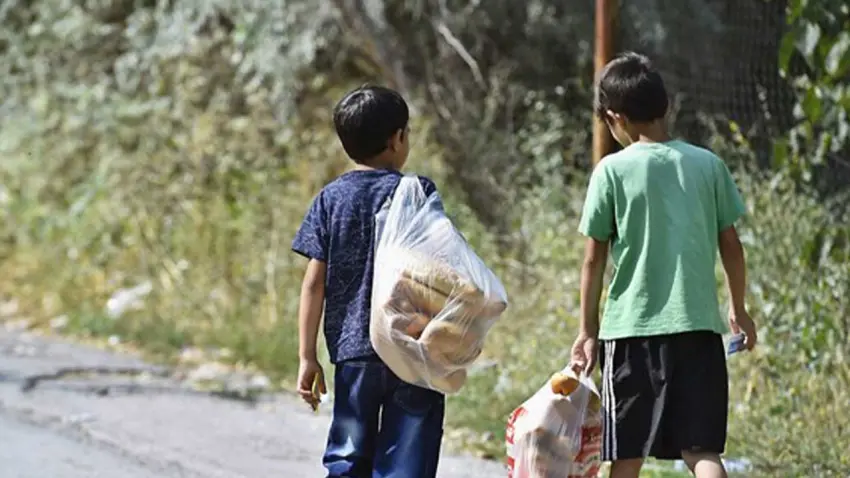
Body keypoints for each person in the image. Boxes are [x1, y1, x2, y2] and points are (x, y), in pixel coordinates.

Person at [569, 52, 758, 478]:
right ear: (665, 107)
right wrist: (738, 307)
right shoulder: (708, 164)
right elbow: (732, 245)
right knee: (702, 450)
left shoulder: (611, 172)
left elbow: (593, 259)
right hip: (699, 329)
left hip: (631, 332)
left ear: (614, 117)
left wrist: (587, 330)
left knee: (626, 456)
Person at [291, 85, 445, 478]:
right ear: (397, 139)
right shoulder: (417, 192)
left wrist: (307, 356)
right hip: (412, 348)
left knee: (348, 456)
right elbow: (443, 268)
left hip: (354, 351)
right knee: (407, 460)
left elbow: (314, 284)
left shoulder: (331, 198)